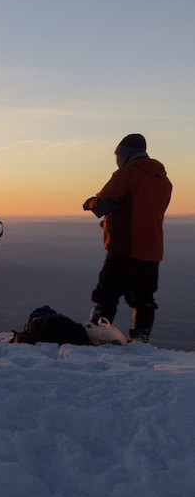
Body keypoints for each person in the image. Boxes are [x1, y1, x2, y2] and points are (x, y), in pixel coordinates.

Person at [82, 133, 172, 342]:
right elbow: (146, 211)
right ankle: (140, 338)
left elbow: (104, 203)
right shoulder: (164, 180)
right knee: (144, 297)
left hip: (126, 246)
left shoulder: (127, 173)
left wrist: (90, 203)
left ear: (125, 155)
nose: (116, 160)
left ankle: (98, 335)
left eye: (117, 155)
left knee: (106, 294)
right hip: (153, 248)